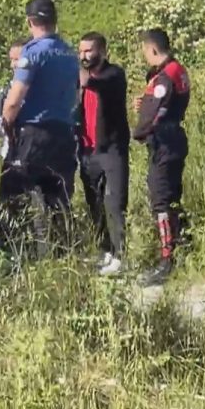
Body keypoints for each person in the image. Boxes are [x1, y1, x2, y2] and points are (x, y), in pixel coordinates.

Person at [0, 0, 79, 258]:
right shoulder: (70, 53)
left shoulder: (33, 53)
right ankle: (63, 258)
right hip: (63, 134)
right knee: (58, 200)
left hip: (34, 134)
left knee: (13, 195)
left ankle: (16, 257)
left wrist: (7, 125)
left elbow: (14, 100)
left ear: (30, 21)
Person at [131, 28, 191, 286]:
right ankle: (184, 246)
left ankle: (167, 261)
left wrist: (139, 132)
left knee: (161, 201)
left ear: (152, 49)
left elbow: (156, 110)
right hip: (174, 139)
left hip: (164, 143)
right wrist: (144, 102)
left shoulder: (165, 76)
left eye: (145, 51)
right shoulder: (177, 69)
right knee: (172, 197)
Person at [75, 32, 130, 277]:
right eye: (81, 51)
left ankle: (120, 255)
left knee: (114, 203)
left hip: (112, 149)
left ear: (102, 51)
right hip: (88, 150)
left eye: (89, 50)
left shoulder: (114, 74)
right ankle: (104, 249)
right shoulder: (81, 81)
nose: (84, 56)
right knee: (94, 203)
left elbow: (101, 86)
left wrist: (85, 80)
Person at [0, 39, 28, 160]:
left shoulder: (42, 90)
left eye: (16, 60)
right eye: (11, 60)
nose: (12, 65)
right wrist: (7, 129)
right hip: (11, 153)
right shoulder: (7, 90)